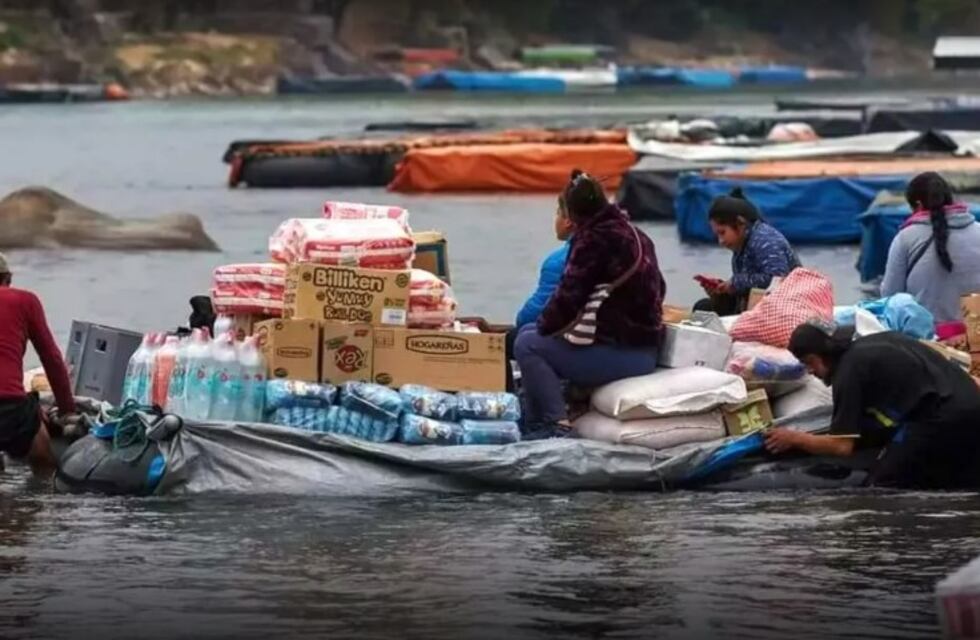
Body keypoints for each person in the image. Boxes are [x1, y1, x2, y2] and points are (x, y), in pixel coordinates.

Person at [514, 170, 666, 439]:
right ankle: (538, 418)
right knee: (530, 334)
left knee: (527, 343)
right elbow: (660, 289)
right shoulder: (636, 234)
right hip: (644, 346)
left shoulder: (594, 240)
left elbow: (567, 300)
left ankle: (556, 425)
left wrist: (544, 327)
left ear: (572, 216)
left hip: (623, 352)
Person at [764, 319, 980, 489]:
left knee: (883, 483)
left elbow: (842, 446)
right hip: (969, 401)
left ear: (824, 354)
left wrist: (794, 438)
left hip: (941, 415)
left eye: (809, 363)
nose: (810, 371)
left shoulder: (848, 372)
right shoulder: (876, 343)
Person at [0, 252, 77, 469]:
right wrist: (67, 410)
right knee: (44, 465)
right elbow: (51, 358)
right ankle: (39, 499)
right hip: (10, 408)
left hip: (11, 403)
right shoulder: (25, 301)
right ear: (8, 279)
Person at [881, 172, 980, 323]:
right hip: (975, 336)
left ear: (918, 205)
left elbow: (890, 297)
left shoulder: (905, 238)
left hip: (925, 339)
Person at [694, 188, 800, 315]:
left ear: (740, 223)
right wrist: (722, 291)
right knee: (703, 308)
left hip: (785, 309)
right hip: (756, 306)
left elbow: (776, 280)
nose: (720, 241)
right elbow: (747, 287)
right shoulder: (742, 244)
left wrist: (735, 283)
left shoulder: (766, 240)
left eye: (722, 233)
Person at [505, 195, 574, 391]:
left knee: (514, 339)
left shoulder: (560, 260)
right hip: (628, 346)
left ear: (568, 221)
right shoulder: (618, 250)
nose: (556, 220)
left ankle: (529, 410)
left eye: (558, 213)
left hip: (592, 346)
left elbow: (537, 311)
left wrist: (519, 321)